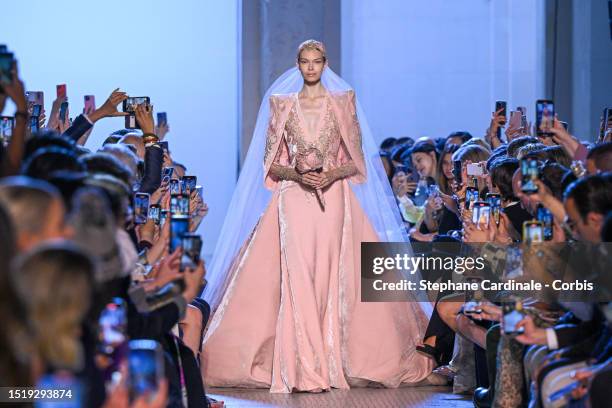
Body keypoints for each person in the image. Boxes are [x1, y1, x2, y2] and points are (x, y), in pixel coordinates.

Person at [201, 39, 434, 393]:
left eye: (316, 61)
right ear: (297, 64)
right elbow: (270, 162)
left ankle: (331, 359)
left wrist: (329, 175)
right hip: (292, 198)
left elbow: (356, 161)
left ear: (325, 63)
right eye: (305, 61)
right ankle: (302, 365)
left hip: (334, 197)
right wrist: (296, 174)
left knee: (332, 273)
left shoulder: (344, 101)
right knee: (297, 273)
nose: (311, 67)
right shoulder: (281, 105)